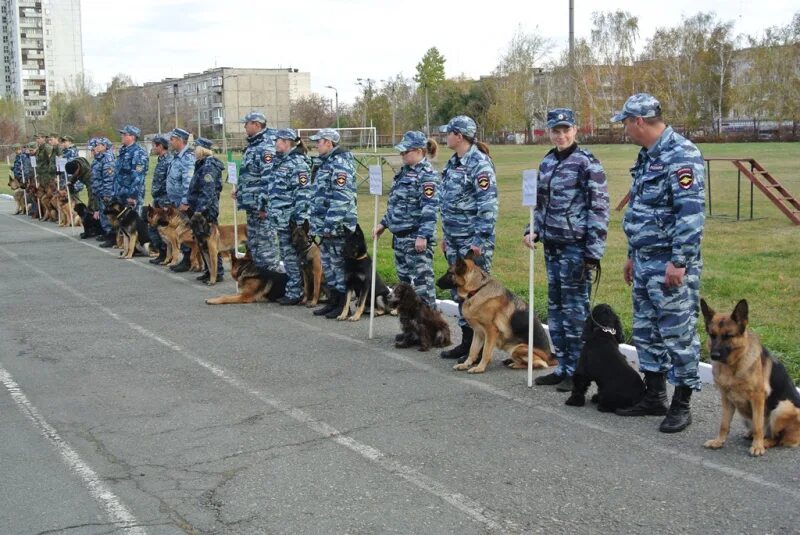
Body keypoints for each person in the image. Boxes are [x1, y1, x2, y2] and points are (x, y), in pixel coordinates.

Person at [611, 93, 705, 433]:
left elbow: (690, 214)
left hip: (670, 265)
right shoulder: (647, 156)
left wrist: (680, 261)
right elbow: (641, 211)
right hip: (645, 261)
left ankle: (682, 404)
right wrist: (631, 256)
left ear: (638, 121)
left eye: (625, 123)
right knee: (646, 332)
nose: (624, 130)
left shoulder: (682, 155)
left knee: (678, 334)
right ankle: (654, 397)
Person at [523, 108, 610, 392]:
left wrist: (593, 252)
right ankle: (563, 366)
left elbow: (598, 208)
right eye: (555, 131)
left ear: (575, 130)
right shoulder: (547, 162)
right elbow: (540, 204)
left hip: (576, 248)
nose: (561, 136)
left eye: (566, 130)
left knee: (575, 314)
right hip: (552, 245)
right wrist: (531, 230)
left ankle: (579, 371)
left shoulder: (587, 163)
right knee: (557, 310)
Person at [437, 116, 498, 362]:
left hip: (472, 240)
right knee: (458, 293)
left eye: (448, 133)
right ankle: (467, 343)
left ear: (459, 136)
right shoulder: (453, 163)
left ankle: (482, 348)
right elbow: (448, 202)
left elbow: (488, 205)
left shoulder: (479, 164)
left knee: (478, 296)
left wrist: (480, 240)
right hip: (454, 238)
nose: (445, 137)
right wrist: (446, 235)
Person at [373, 131, 440, 311]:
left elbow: (430, 208)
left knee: (422, 287)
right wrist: (383, 224)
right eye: (401, 152)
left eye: (406, 152)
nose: (402, 155)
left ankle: (430, 331)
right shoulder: (403, 173)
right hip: (400, 239)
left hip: (415, 238)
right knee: (405, 289)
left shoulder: (426, 175)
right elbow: (396, 204)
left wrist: (423, 236)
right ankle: (412, 329)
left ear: (419, 151)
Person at [308, 128, 357, 319]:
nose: (316, 145)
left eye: (319, 141)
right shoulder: (325, 162)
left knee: (338, 266)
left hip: (337, 226)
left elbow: (341, 198)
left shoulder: (340, 163)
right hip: (325, 225)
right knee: (329, 265)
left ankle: (344, 305)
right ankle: (333, 301)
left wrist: (329, 224)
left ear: (329, 143)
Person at [264, 128, 313, 305]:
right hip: (280, 218)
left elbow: (303, 193)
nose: (275, 143)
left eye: (277, 140)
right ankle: (294, 289)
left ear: (286, 142)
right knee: (287, 254)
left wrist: (300, 222)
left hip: (291, 220)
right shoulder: (280, 161)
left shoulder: (297, 163)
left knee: (291, 256)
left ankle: (295, 292)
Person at [234, 111, 280, 271]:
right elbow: (250, 174)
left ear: (257, 125)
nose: (245, 126)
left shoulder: (266, 146)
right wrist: (240, 191)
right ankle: (259, 280)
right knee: (255, 244)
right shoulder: (253, 145)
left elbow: (268, 179)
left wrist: (263, 206)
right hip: (251, 205)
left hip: (261, 207)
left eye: (247, 123)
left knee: (266, 246)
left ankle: (271, 280)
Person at [187, 137, 225, 282]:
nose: (194, 151)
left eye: (195, 148)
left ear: (202, 149)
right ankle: (210, 270)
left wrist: (200, 210)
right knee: (202, 243)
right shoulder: (202, 164)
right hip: (199, 209)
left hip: (205, 211)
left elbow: (207, 191)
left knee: (211, 243)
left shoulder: (209, 166)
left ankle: (217, 271)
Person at [164, 128, 196, 272]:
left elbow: (187, 181)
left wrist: (184, 201)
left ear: (180, 140)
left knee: (185, 232)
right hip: (175, 201)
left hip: (183, 203)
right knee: (179, 231)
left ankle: (189, 260)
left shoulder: (187, 158)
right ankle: (185, 259)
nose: (171, 142)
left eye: (173, 139)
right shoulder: (176, 157)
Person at [148, 135, 173, 264]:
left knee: (164, 229)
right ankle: (162, 253)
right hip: (157, 198)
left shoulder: (169, 161)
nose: (152, 148)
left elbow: (169, 181)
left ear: (160, 146)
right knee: (153, 227)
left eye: (154, 145)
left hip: (165, 200)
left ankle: (166, 255)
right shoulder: (160, 160)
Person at [114, 125, 149, 213]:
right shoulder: (123, 151)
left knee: (133, 224)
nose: (122, 136)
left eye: (125, 134)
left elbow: (138, 176)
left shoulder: (139, 153)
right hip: (120, 195)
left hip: (131, 197)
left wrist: (132, 196)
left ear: (132, 137)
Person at [91, 138, 117, 247]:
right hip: (99, 191)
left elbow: (108, 178)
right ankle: (106, 233)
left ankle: (111, 236)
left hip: (105, 191)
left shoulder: (108, 159)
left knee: (108, 215)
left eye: (99, 145)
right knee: (103, 213)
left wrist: (107, 193)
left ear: (105, 146)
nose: (96, 147)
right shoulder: (99, 158)